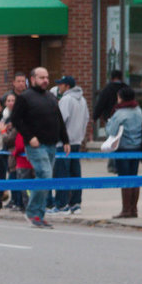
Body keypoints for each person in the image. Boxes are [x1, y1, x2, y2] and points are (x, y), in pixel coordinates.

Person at [9, 66, 69, 228]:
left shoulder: (50, 97)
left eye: (47, 77)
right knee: (45, 174)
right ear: (33, 79)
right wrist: (30, 137)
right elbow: (16, 120)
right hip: (36, 145)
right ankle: (32, 211)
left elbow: (59, 119)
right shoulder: (25, 97)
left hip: (51, 143)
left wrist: (65, 140)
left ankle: (39, 215)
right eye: (42, 78)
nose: (45, 81)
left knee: (46, 180)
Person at [105, 85, 142, 218]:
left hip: (123, 148)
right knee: (134, 177)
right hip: (137, 147)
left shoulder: (120, 113)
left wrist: (108, 123)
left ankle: (126, 209)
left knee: (124, 178)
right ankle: (134, 208)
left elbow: (111, 131)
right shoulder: (138, 110)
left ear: (121, 98)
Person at [53, 75, 89, 214]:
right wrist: (80, 136)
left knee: (61, 172)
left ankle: (62, 204)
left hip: (64, 142)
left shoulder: (66, 100)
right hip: (76, 141)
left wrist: (58, 138)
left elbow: (60, 121)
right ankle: (75, 202)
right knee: (75, 172)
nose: (59, 87)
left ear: (67, 86)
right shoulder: (82, 100)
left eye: (60, 85)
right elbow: (86, 119)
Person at [93, 69, 126, 133]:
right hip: (125, 118)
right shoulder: (126, 88)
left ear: (112, 78)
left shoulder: (107, 89)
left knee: (111, 138)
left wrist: (95, 117)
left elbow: (100, 104)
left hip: (110, 117)